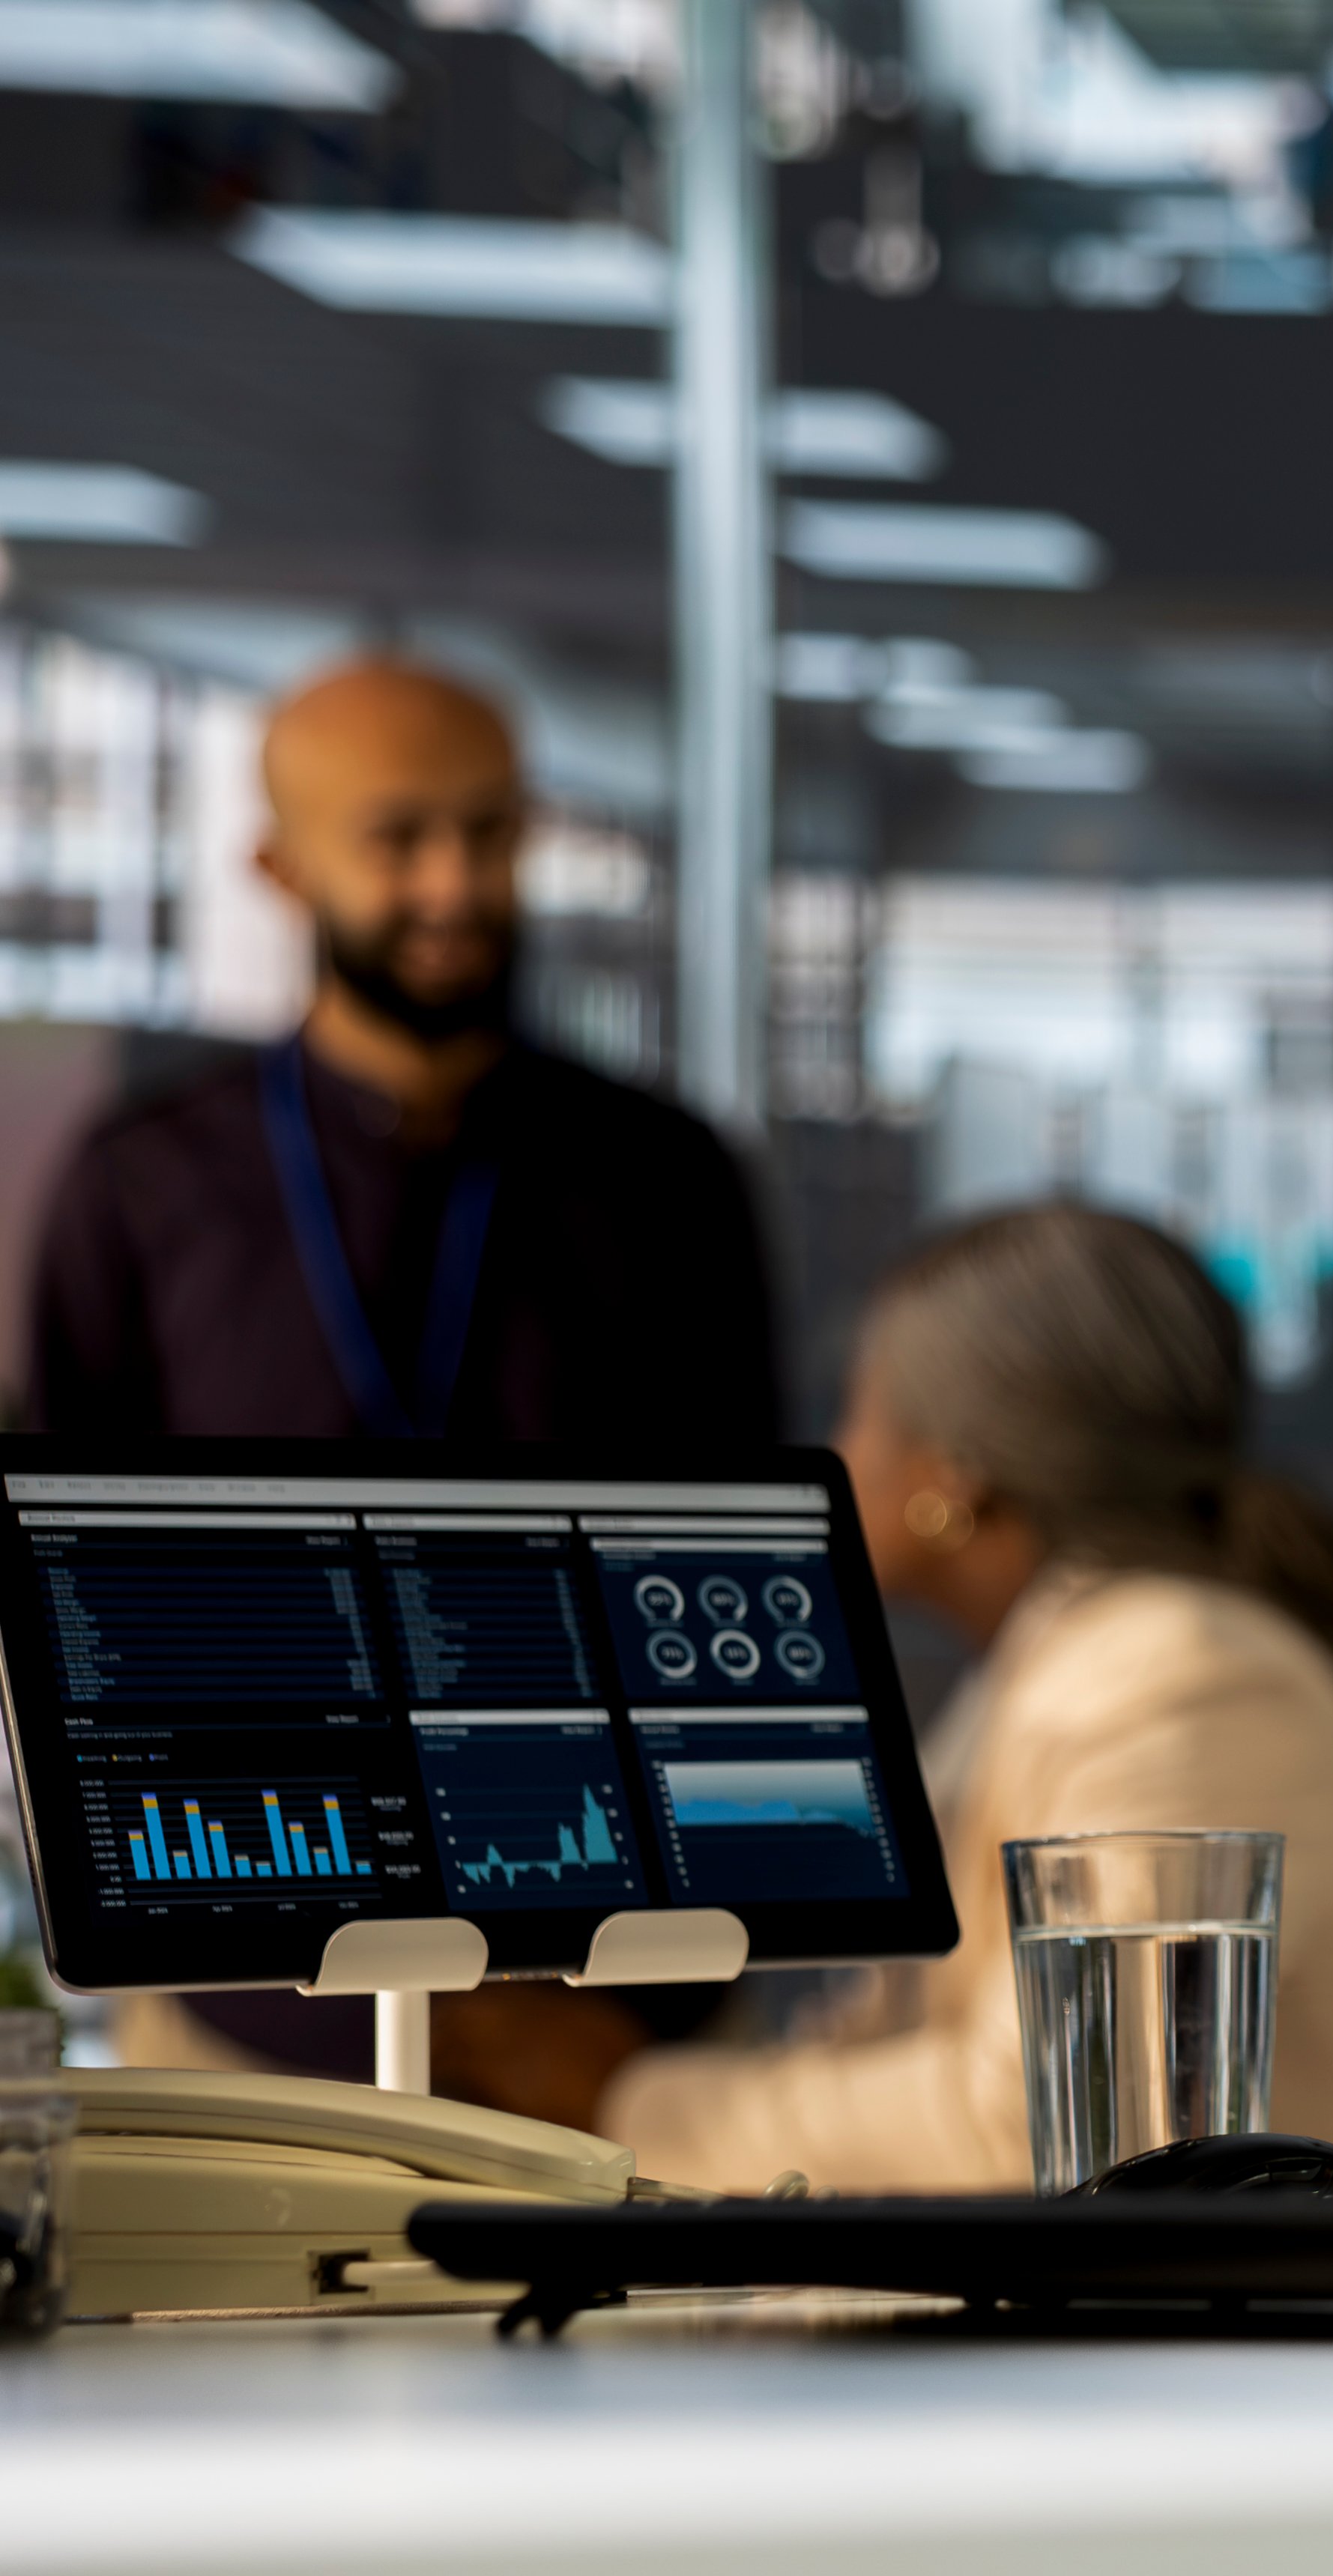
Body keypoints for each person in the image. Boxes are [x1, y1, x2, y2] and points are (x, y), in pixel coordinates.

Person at [432, 1204, 1333, 2192]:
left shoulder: (1178, 1682)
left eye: (863, 1409)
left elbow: (1056, 2134)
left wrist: (628, 2099)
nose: (841, 1449)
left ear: (953, 1478)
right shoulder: (1074, 1665)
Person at [42, 655, 778, 2082]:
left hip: (619, 1995)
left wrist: (586, 2015)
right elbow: (80, 1624)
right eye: (398, 838)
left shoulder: (666, 1179)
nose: (454, 884)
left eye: (491, 832)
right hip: (241, 1982)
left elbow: (736, 1587)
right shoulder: (144, 1184)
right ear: (278, 859)